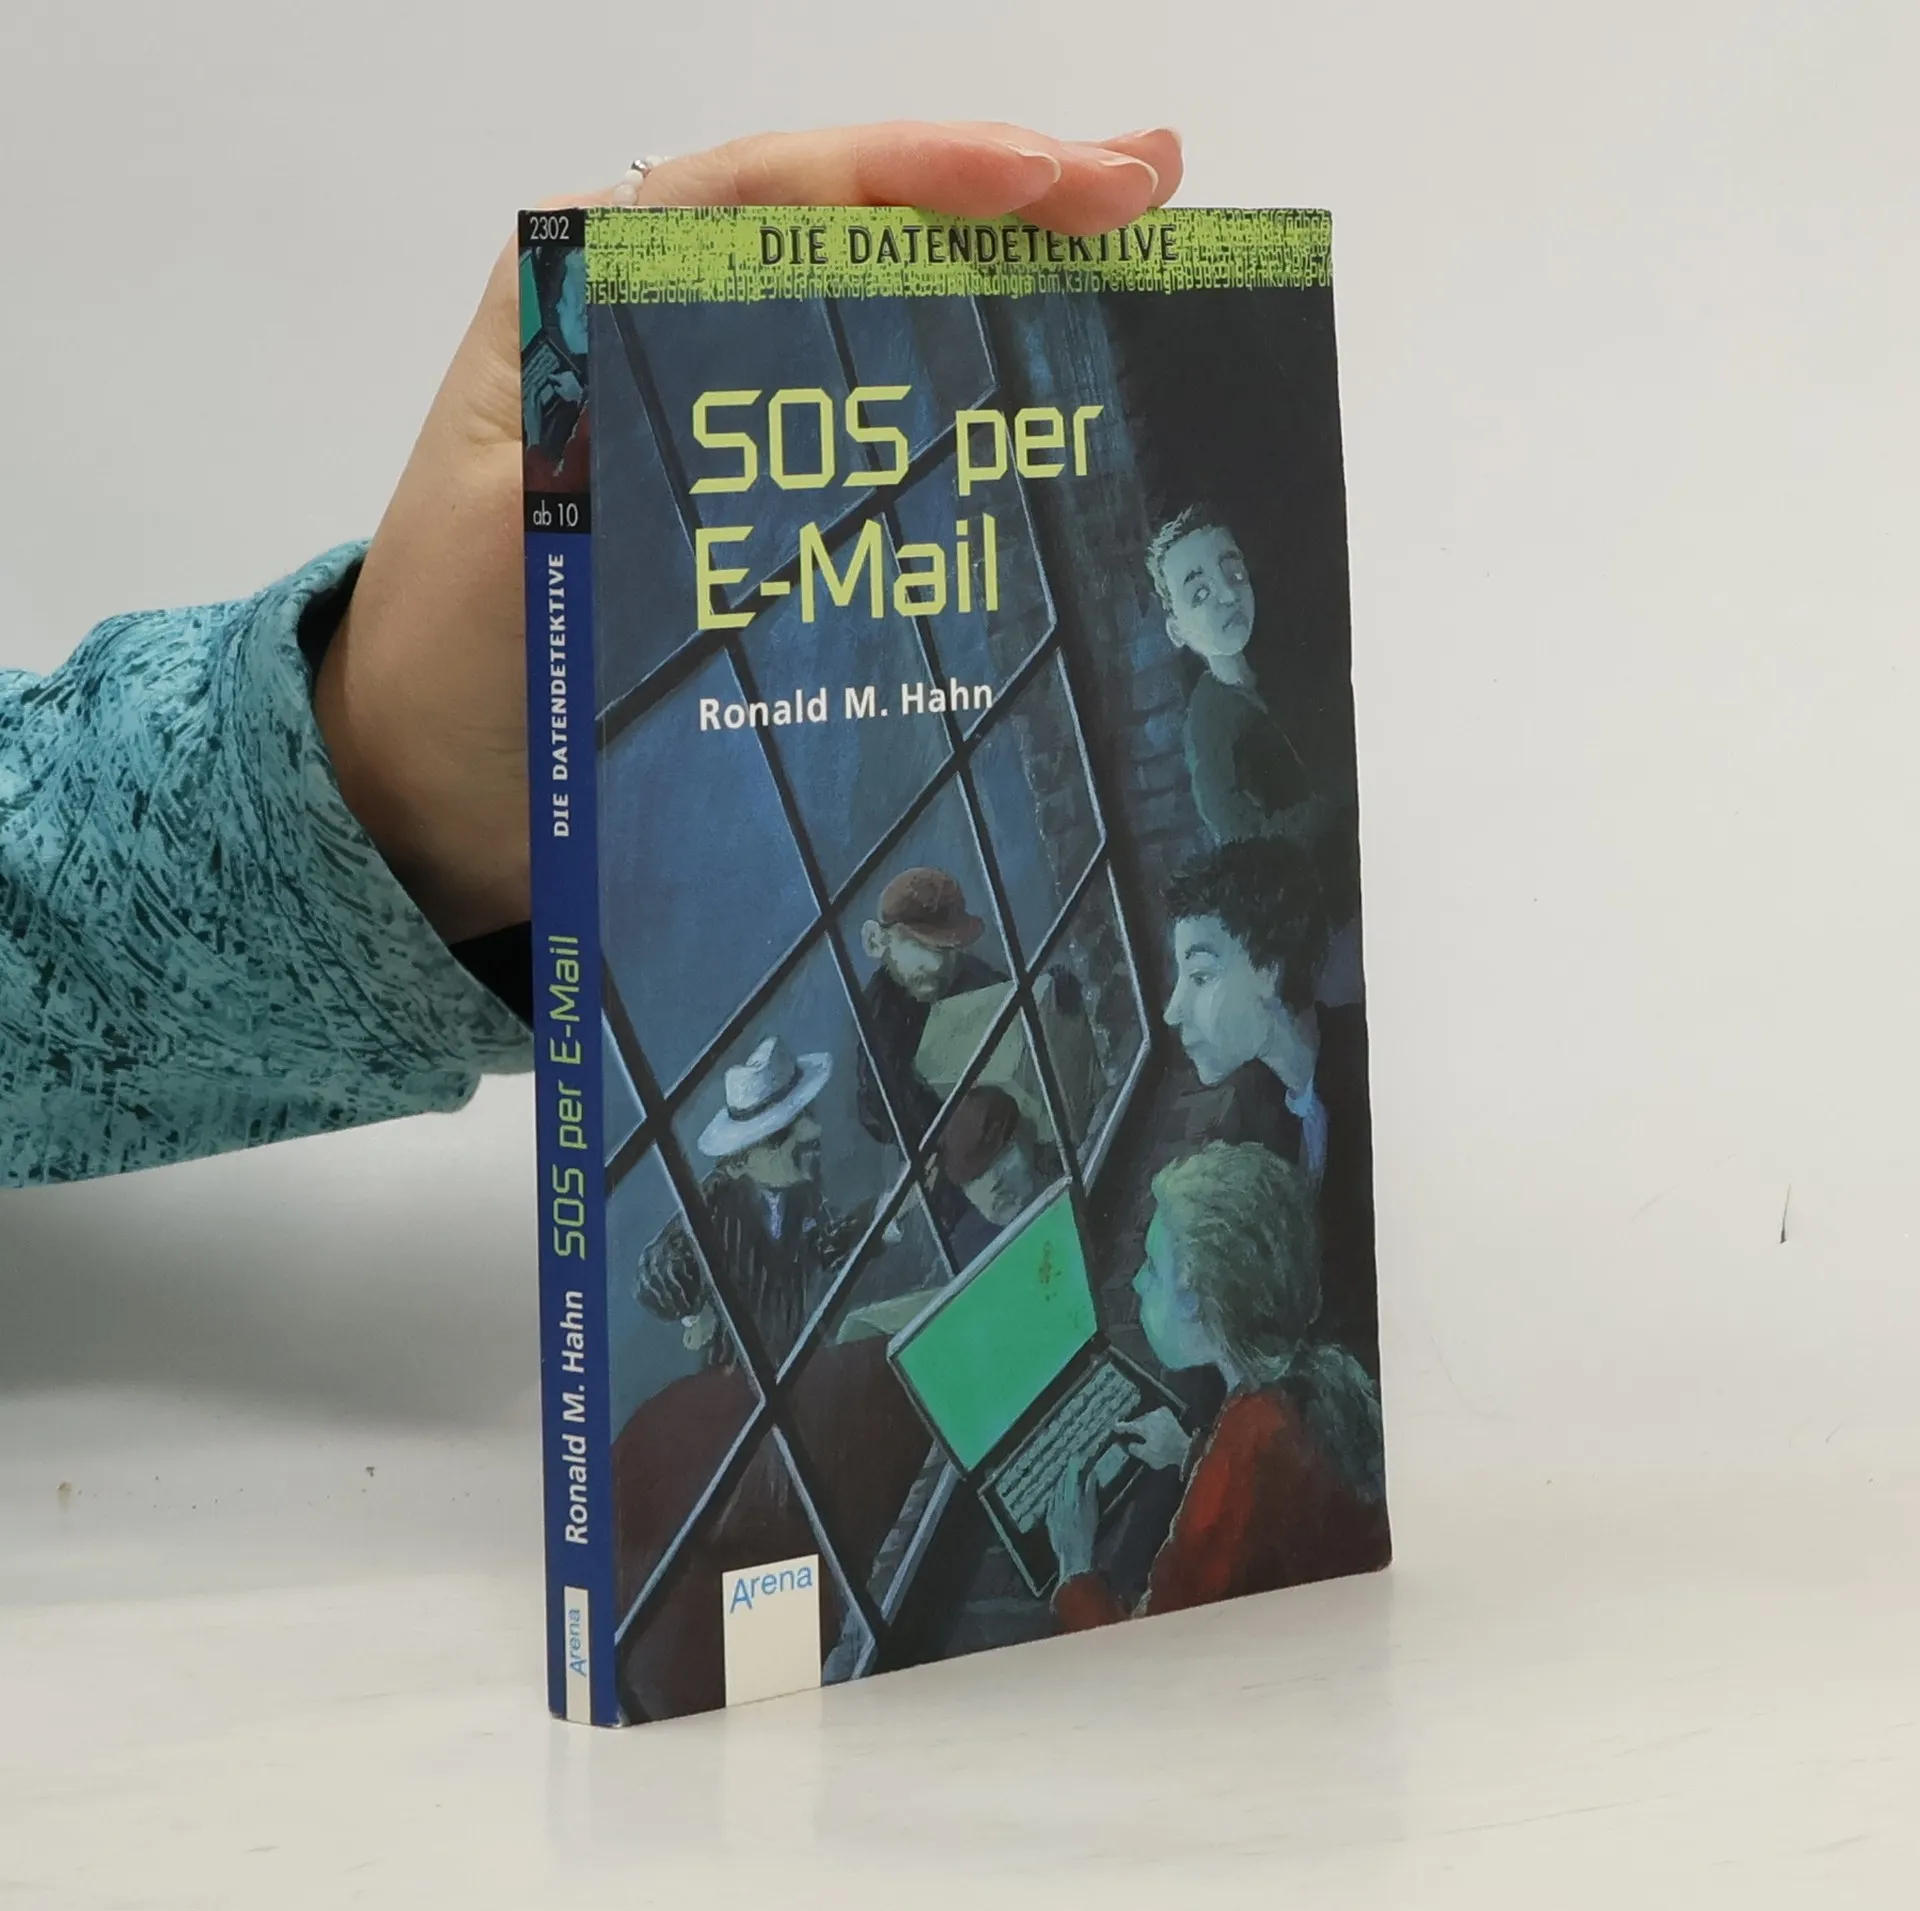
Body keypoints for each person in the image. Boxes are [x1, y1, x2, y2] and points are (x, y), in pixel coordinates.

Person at [0, 120, 1183, 1189]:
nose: (940, 968)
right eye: (931, 951)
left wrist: (377, 789)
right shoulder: (872, 1033)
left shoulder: (950, 984)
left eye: (942, 953)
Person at [1043, 1141, 1388, 1630]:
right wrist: (1190, 1453)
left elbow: (1151, 1657)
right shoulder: (1322, 1375)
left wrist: (1074, 1569)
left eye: (1152, 1268)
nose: (1137, 1283)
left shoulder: (1242, 1457)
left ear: (1197, 1299)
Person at [1162, 834, 1380, 1374]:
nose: (1172, 1010)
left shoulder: (1378, 1073)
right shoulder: (1248, 1118)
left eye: (1201, 976)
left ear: (1268, 969)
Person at [1145, 502, 1359, 927]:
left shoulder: (1285, 667)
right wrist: (1337, 801)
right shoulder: (1209, 725)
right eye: (1200, 594)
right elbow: (1244, 845)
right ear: (1177, 630)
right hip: (1320, 907)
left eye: (1234, 574)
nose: (1228, 595)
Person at [635, 1034, 867, 1368]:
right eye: (780, 1135)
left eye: (807, 1114)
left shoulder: (803, 1192)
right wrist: (694, 1313)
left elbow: (829, 1245)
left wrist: (892, 1208)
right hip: (735, 1379)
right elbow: (655, 1271)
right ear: (738, 1162)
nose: (813, 1131)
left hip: (795, 1364)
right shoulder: (713, 1203)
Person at [854, 865, 1008, 1156]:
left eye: (948, 949)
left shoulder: (968, 974)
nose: (937, 964)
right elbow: (876, 1109)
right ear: (876, 941)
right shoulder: (880, 1016)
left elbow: (1012, 1005)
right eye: (919, 945)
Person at [935, 1084, 1059, 1269]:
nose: (993, 1183)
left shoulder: (1074, 1160)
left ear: (1023, 1135)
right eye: (975, 1181)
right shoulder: (974, 1258)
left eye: (1001, 1159)